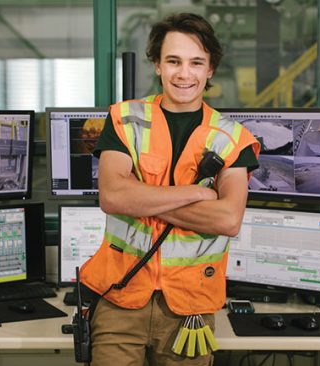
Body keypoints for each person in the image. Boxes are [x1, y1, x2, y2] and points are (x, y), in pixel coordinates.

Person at [80, 13, 260, 365]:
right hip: (120, 299)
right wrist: (198, 193)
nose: (184, 74)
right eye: (173, 61)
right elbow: (112, 196)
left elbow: (227, 219)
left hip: (190, 309)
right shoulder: (124, 119)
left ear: (210, 70)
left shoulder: (233, 139)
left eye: (196, 63)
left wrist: (141, 197)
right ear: (157, 65)